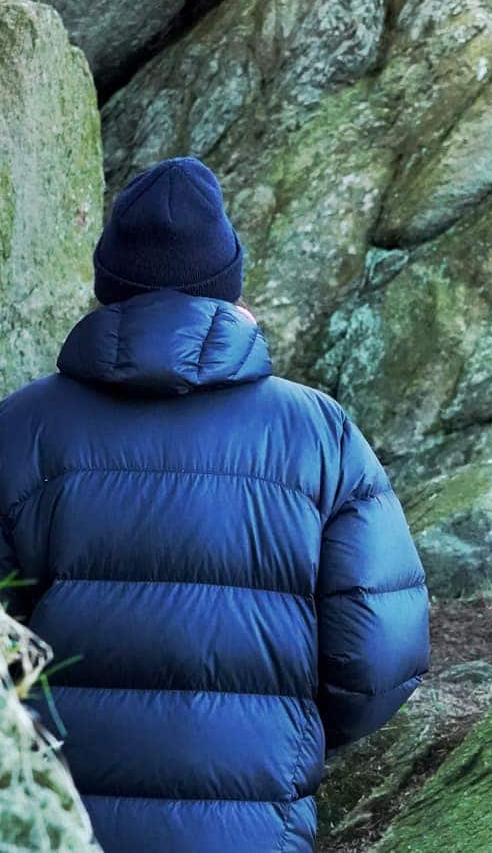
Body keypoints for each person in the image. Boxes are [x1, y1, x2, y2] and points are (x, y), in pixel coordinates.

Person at [0, 157, 430, 853]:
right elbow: (382, 652)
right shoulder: (318, 433)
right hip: (252, 823)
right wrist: (284, 728)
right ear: (226, 288)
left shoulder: (19, 429)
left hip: (56, 822)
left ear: (108, 287)